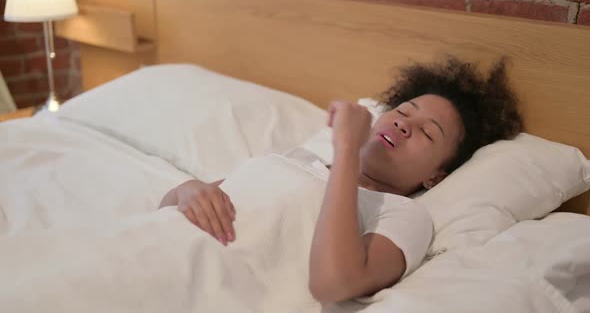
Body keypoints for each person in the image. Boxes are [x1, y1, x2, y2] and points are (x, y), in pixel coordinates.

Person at [159, 56, 522, 303]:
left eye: (427, 133)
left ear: (435, 176)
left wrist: (347, 149)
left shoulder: (403, 216)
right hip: (155, 246)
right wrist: (189, 189)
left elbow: (333, 285)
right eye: (402, 112)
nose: (403, 124)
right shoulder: (300, 159)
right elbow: (171, 203)